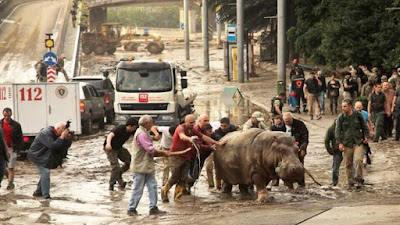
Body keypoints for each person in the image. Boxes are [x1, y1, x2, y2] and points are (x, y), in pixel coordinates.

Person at [161, 114, 225, 202]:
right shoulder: (180, 128)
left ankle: (177, 197)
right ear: (185, 122)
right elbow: (182, 136)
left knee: (183, 178)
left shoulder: (193, 129)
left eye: (193, 122)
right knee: (175, 177)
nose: (192, 124)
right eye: (190, 122)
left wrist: (216, 143)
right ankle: (164, 191)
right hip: (176, 156)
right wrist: (189, 139)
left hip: (187, 156)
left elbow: (203, 137)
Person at [127, 115, 170, 216]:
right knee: (138, 188)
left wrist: (154, 137)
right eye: (151, 122)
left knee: (153, 186)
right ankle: (131, 208)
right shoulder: (141, 134)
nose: (152, 124)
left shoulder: (144, 132)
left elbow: (150, 140)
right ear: (146, 123)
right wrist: (163, 153)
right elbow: (150, 149)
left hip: (147, 165)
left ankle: (153, 207)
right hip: (140, 166)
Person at [28, 121, 70, 199]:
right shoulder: (45, 133)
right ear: (58, 128)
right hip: (37, 155)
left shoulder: (57, 134)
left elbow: (62, 148)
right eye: (63, 130)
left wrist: (67, 139)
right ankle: (46, 196)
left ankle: (38, 192)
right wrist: (61, 137)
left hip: (45, 156)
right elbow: (53, 145)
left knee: (45, 174)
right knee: (45, 172)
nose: (64, 131)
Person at [335, 99, 369, 188]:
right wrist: (339, 143)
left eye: (345, 106)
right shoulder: (341, 117)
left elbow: (365, 127)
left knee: (358, 160)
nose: (343, 108)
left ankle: (358, 179)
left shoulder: (358, 115)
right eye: (342, 106)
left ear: (350, 106)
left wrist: (366, 136)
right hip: (347, 143)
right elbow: (337, 131)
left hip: (358, 142)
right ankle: (350, 181)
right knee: (348, 163)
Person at [104, 117, 138, 191]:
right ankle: (111, 185)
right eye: (134, 127)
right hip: (110, 148)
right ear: (129, 126)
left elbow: (139, 137)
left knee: (130, 161)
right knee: (115, 166)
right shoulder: (120, 128)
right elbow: (110, 135)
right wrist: (108, 144)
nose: (135, 129)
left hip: (119, 147)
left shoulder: (132, 131)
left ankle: (118, 175)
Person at [187, 114, 215, 193]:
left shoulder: (205, 130)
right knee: (192, 173)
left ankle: (188, 187)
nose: (207, 122)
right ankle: (185, 188)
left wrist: (212, 145)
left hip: (201, 156)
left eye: (208, 120)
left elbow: (206, 140)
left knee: (196, 174)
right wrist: (210, 147)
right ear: (199, 121)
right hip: (193, 155)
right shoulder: (196, 129)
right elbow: (198, 144)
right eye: (205, 121)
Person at [205, 117, 236, 190]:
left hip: (230, 151)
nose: (223, 128)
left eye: (225, 126)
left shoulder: (233, 129)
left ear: (229, 125)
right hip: (216, 149)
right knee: (209, 165)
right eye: (221, 125)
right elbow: (217, 138)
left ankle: (225, 182)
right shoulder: (217, 131)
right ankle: (213, 185)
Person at [282, 112, 308, 187]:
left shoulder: (300, 124)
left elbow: (305, 137)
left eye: (288, 121)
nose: (287, 123)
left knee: (299, 165)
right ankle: (288, 183)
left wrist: (303, 148)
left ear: (292, 119)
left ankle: (301, 182)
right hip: (285, 150)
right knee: (286, 166)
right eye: (286, 121)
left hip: (297, 148)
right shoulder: (280, 125)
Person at [0, 108, 23, 190]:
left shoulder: (16, 125)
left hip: (12, 148)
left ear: (11, 114)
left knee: (11, 166)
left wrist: (18, 149)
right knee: (3, 167)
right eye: (5, 115)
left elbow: (20, 137)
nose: (6, 117)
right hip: (2, 149)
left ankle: (10, 183)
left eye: (8, 116)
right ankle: (8, 178)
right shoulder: (0, 124)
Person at [355, 101, 374, 167]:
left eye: (359, 107)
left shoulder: (365, 114)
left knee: (365, 145)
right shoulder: (352, 114)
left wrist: (371, 131)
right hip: (356, 133)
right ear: (355, 107)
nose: (358, 109)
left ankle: (365, 156)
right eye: (357, 107)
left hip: (364, 132)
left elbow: (369, 122)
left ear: (362, 107)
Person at [324, 120, 342, 186]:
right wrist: (330, 150)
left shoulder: (346, 127)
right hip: (337, 151)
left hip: (347, 149)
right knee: (335, 168)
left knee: (351, 166)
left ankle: (352, 180)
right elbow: (326, 141)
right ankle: (334, 182)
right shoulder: (331, 129)